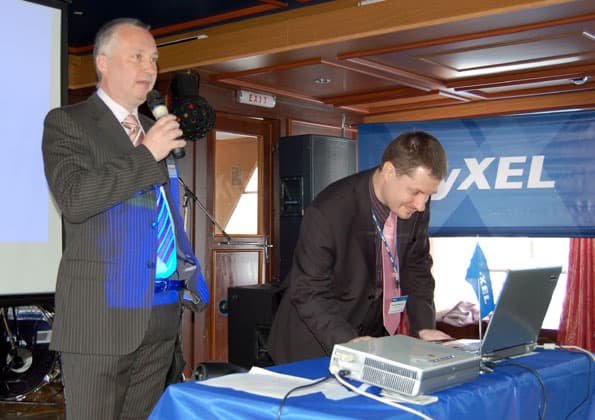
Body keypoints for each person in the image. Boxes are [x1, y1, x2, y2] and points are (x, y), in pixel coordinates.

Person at [42, 18, 209, 419]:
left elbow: (164, 211)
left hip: (161, 312)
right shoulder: (68, 122)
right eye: (137, 56)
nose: (150, 67)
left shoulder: (153, 129)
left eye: (154, 59)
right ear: (102, 62)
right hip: (102, 318)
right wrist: (147, 153)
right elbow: (75, 199)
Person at [268, 131, 452, 364]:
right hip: (316, 341)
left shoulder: (415, 209)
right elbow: (308, 291)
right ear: (389, 171)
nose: (421, 205)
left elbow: (417, 269)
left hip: (369, 339)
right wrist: (348, 341)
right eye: (415, 192)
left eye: (428, 195)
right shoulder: (329, 211)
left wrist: (424, 327)